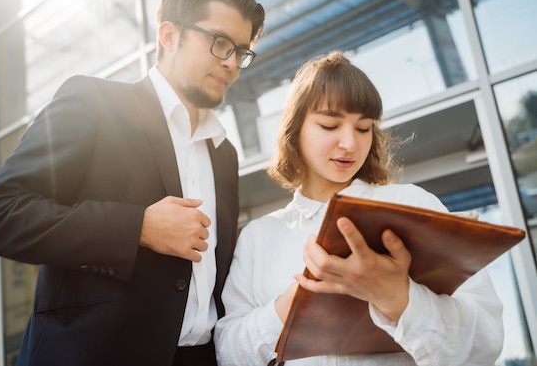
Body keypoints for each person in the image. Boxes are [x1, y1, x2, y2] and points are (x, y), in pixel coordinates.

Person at [0, 0, 265, 366]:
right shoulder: (93, 103)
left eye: (242, 52)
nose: (232, 63)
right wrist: (138, 227)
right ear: (169, 35)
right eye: (219, 43)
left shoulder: (223, 153)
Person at [214, 51, 503, 366]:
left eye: (364, 128)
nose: (350, 144)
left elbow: (486, 342)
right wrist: (291, 305)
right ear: (295, 129)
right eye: (329, 125)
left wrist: (400, 300)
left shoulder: (412, 204)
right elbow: (228, 353)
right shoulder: (258, 237)